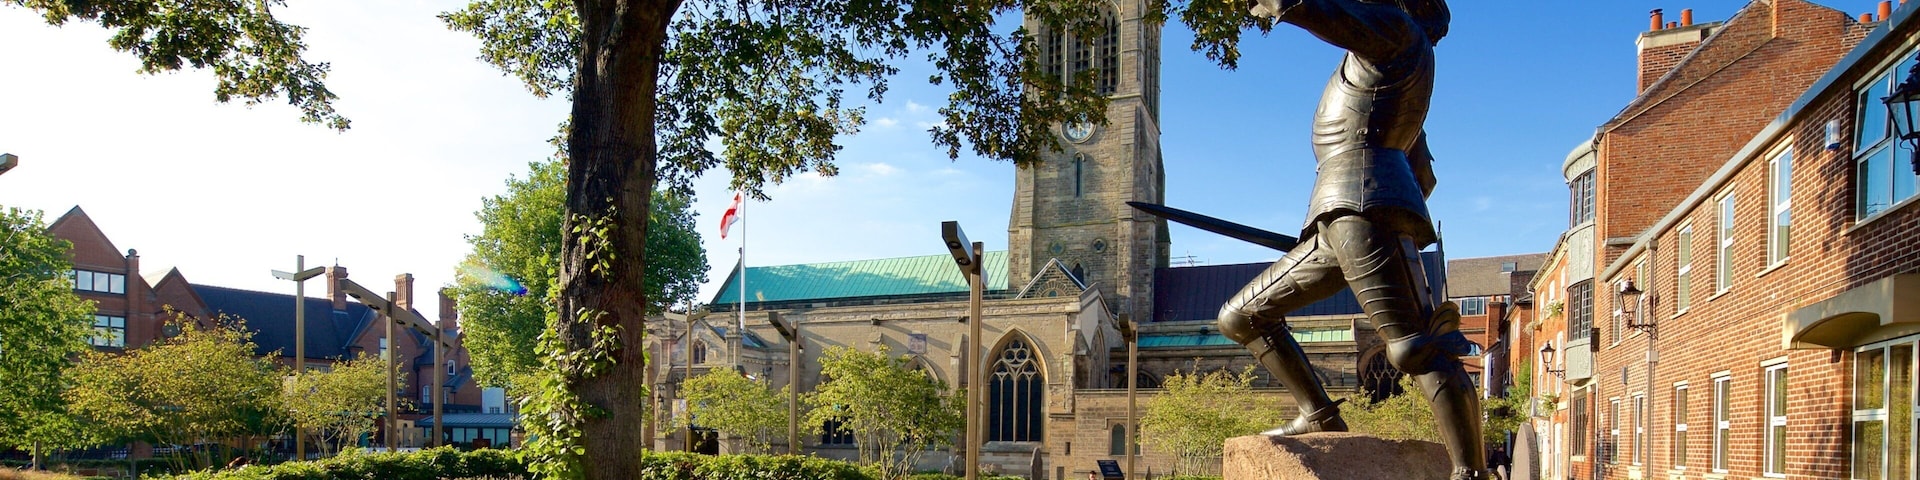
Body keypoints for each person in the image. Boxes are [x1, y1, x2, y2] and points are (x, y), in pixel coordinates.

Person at [1215, 1, 1486, 479]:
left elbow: (1325, 12)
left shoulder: (1399, 33)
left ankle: (1471, 472)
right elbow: (1422, 175)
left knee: (1413, 347)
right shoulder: (1399, 63)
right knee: (1241, 317)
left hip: (1360, 206)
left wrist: (1375, 222)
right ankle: (1319, 415)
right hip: (1343, 212)